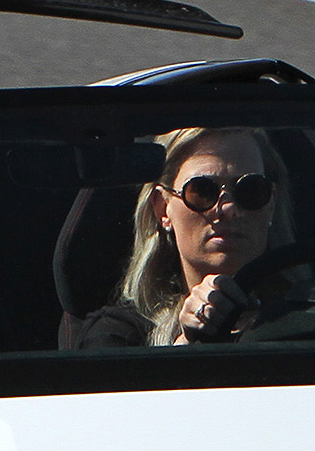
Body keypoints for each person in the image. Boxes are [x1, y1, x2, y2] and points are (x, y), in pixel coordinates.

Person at [75, 127, 278, 347]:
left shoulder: (311, 318)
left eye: (250, 190)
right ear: (162, 208)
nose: (228, 208)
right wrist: (187, 342)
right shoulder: (117, 337)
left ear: (271, 206)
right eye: (201, 191)